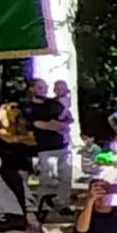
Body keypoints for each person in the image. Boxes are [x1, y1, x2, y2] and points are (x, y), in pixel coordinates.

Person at [24, 78, 73, 217]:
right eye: (40, 87)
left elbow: (67, 121)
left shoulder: (54, 104)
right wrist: (55, 125)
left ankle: (63, 204)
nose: (44, 90)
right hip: (43, 149)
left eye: (45, 87)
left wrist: (56, 125)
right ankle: (44, 205)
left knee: (65, 178)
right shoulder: (28, 107)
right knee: (47, 180)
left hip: (62, 147)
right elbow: (38, 124)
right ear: (32, 89)